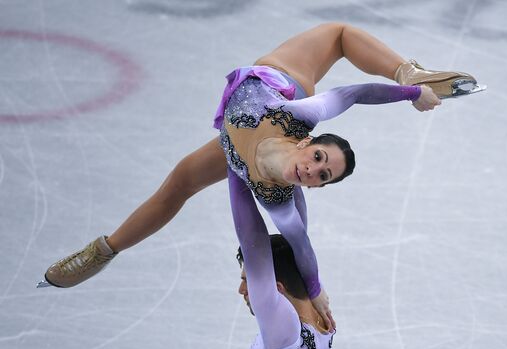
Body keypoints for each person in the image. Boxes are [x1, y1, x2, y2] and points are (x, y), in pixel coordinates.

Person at [39, 23, 478, 331]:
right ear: (309, 144)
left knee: (178, 185)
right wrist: (411, 91)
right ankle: (411, 67)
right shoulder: (299, 114)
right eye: (321, 157)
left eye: (321, 177)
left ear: (314, 186)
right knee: (340, 34)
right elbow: (353, 93)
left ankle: (102, 251)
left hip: (236, 147)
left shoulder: (277, 201)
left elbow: (298, 244)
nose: (313, 169)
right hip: (281, 81)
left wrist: (316, 290)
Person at [230, 166, 334, 349]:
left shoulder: (284, 330)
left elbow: (252, 242)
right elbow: (298, 237)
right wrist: (288, 164)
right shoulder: (319, 313)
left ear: (277, 289)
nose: (241, 290)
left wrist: (234, 159)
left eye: (249, 281)